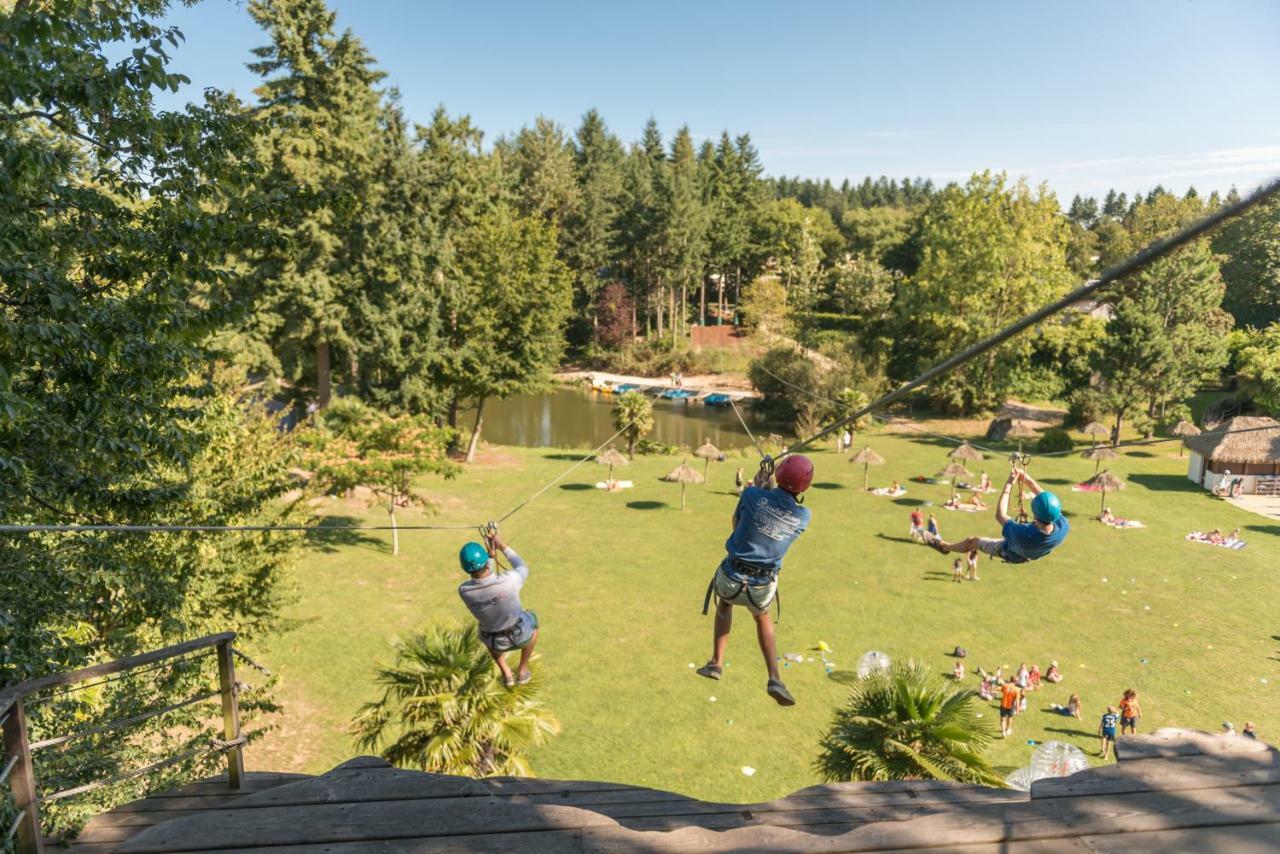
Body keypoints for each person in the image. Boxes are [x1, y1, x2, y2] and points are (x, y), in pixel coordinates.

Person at [698, 455, 814, 707]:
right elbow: (776, 514)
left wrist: (761, 487)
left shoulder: (751, 495)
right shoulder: (804, 516)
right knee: (762, 616)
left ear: (779, 474)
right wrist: (768, 490)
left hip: (732, 577)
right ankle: (774, 677)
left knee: (725, 605)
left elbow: (737, 524)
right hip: (762, 586)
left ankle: (716, 663)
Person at [926, 468, 1069, 564]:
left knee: (972, 541)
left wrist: (1009, 484)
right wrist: (1025, 478)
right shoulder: (1063, 526)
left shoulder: (1022, 534)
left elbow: (1000, 515)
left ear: (1036, 517)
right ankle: (945, 546)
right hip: (1032, 548)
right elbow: (1046, 500)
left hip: (1011, 551)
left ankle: (944, 547)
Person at [456, 529, 539, 688]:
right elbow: (522, 567)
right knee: (533, 620)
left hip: (495, 642)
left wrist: (490, 556)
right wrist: (501, 546)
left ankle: (506, 673)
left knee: (485, 627)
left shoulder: (464, 591)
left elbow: (483, 578)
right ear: (487, 563)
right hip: (521, 635)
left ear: (465, 568)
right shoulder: (509, 581)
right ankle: (522, 670)